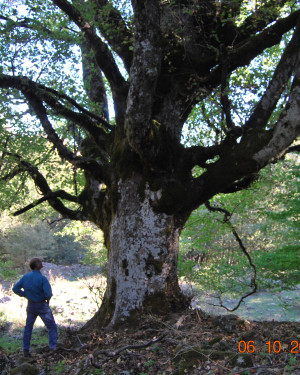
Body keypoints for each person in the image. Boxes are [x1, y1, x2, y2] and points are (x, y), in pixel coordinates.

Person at [12, 258, 58, 357]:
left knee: (28, 328)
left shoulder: (25, 277)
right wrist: (46, 298)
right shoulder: (42, 278)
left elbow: (15, 288)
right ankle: (53, 347)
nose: (42, 263)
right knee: (52, 326)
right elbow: (48, 294)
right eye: (40, 262)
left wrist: (25, 295)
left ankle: (26, 349)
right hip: (42, 305)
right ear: (37, 265)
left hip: (31, 305)